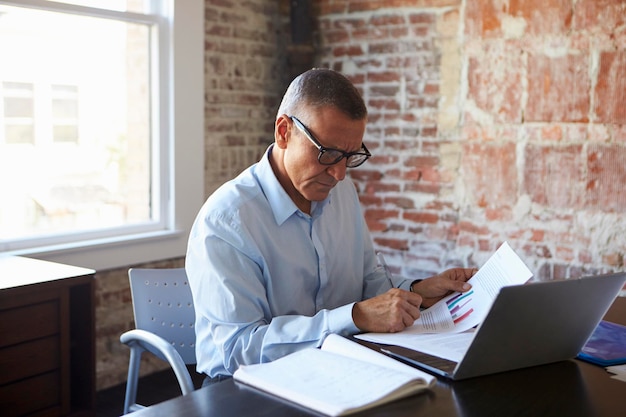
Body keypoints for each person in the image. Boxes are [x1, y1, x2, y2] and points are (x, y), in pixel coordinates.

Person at [186, 68, 476, 385]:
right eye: (327, 154)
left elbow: (369, 282)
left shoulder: (342, 193)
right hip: (246, 387)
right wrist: (354, 317)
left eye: (350, 156)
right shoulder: (226, 221)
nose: (339, 174)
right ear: (283, 132)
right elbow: (238, 348)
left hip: (337, 368)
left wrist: (419, 291)